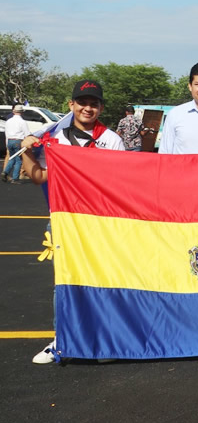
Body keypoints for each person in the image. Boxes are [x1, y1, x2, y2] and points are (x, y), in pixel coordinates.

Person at [20, 80, 125, 364]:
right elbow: (40, 176)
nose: (87, 108)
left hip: (101, 222)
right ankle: (62, 339)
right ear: (72, 105)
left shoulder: (112, 140)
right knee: (66, 281)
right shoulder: (56, 139)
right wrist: (28, 149)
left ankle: (104, 340)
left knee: (104, 280)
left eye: (93, 103)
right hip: (66, 221)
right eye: (82, 102)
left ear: (101, 107)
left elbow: (123, 182)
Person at [3, 104, 29, 183]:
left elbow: (6, 133)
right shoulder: (22, 122)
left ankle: (5, 172)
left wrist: (7, 142)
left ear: (14, 112)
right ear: (21, 112)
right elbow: (27, 133)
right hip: (17, 141)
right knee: (18, 160)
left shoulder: (8, 121)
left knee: (12, 158)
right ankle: (15, 178)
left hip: (9, 140)